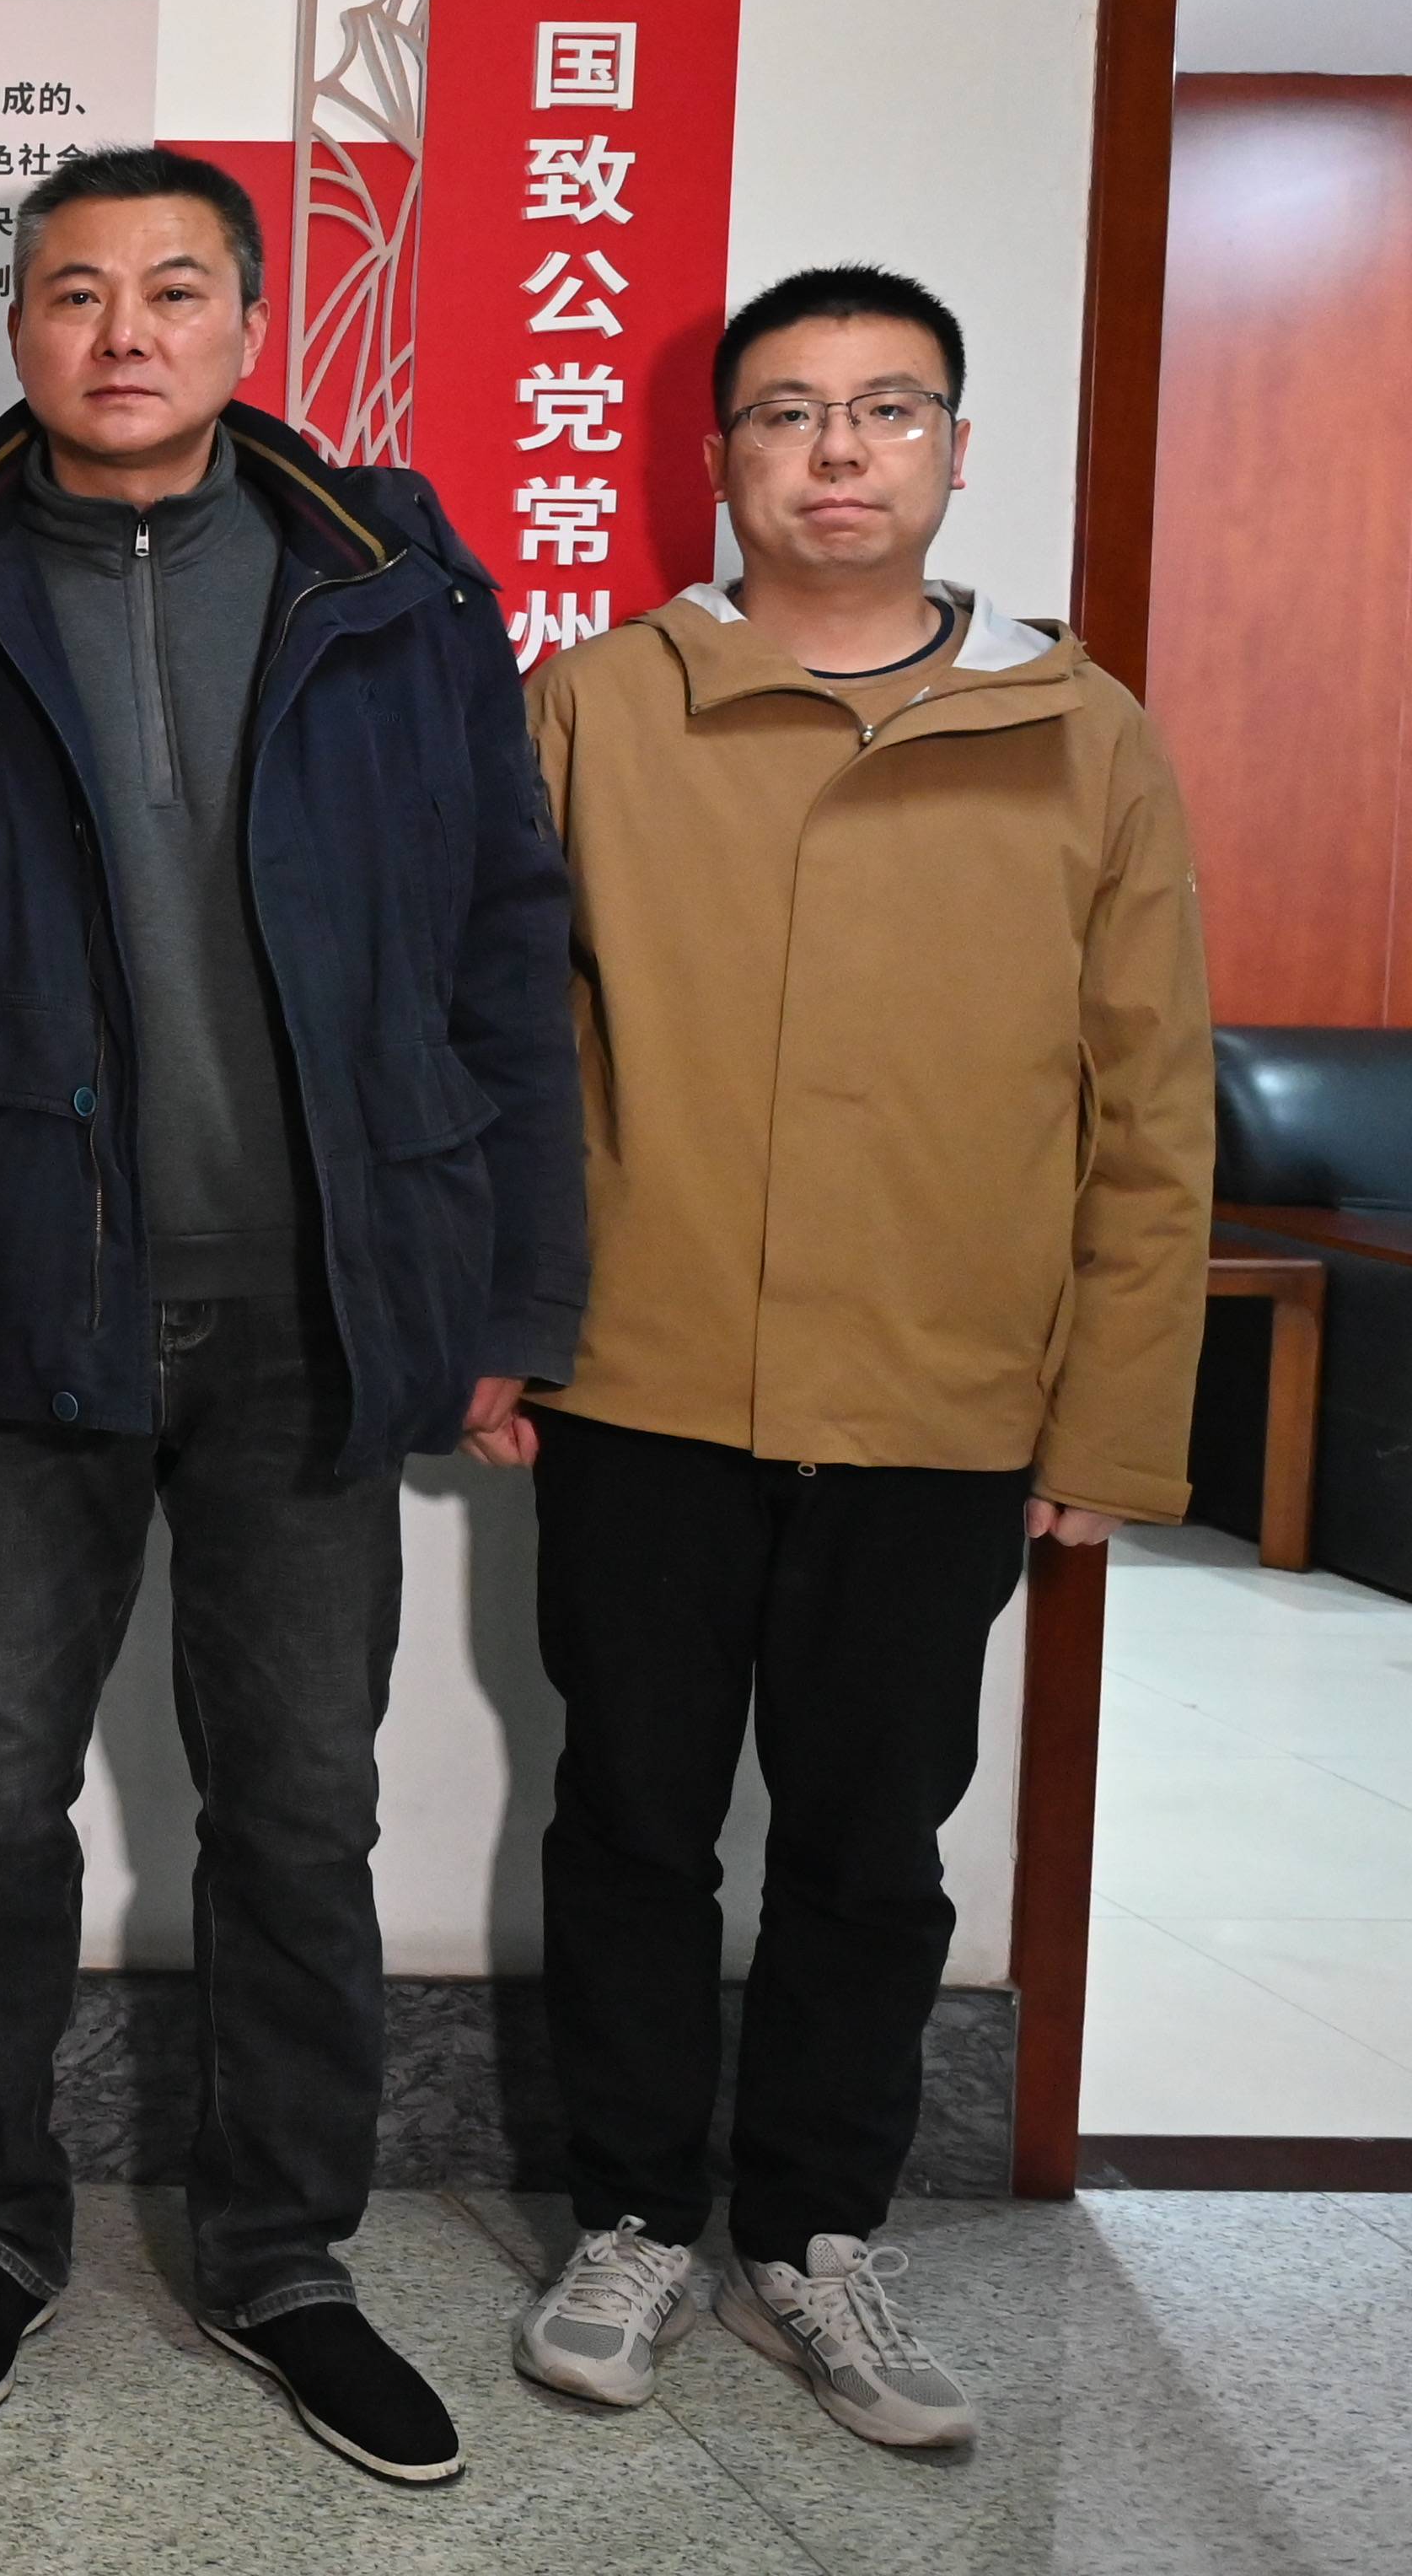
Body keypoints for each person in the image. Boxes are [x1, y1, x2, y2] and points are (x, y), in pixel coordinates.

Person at [0, 146, 583, 2491]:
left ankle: (286, 2252)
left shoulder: (393, 576)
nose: (124, 333)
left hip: (320, 1297)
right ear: (16, 329)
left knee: (300, 1806)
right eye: (77, 292)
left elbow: (506, 939)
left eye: (175, 290)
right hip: (7, 1282)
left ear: (249, 326)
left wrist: (512, 1286)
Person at [495, 266, 1205, 2451]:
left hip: (942, 1388)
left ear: (958, 451)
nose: (837, 450)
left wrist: (1111, 1417)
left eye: (888, 409)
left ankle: (816, 2232)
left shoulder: (1082, 733)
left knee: (872, 1837)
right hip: (647, 1374)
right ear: (720, 455)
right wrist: (500, 1329)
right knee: (631, 1812)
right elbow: (502, 1048)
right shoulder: (604, 704)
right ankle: (633, 2215)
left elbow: (1150, 1102)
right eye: (789, 410)